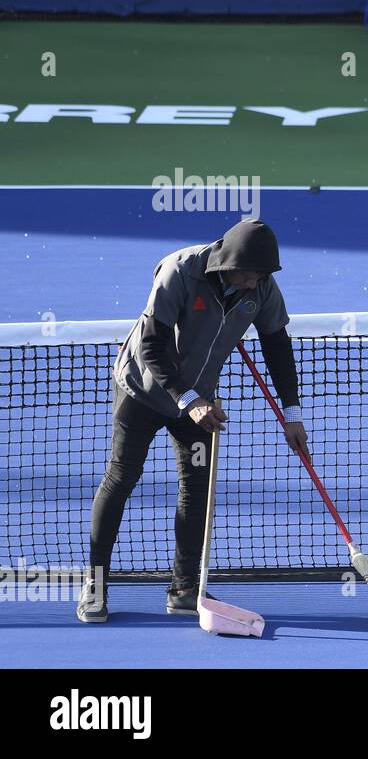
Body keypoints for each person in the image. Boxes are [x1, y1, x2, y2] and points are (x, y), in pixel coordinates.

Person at [77, 219, 310, 623]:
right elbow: (152, 344)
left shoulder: (262, 287)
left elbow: (276, 344)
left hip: (200, 398)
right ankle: (95, 587)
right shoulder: (179, 271)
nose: (255, 284)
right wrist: (188, 399)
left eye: (262, 276)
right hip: (144, 391)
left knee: (197, 489)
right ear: (229, 263)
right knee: (121, 478)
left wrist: (292, 413)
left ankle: (185, 589)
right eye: (249, 274)